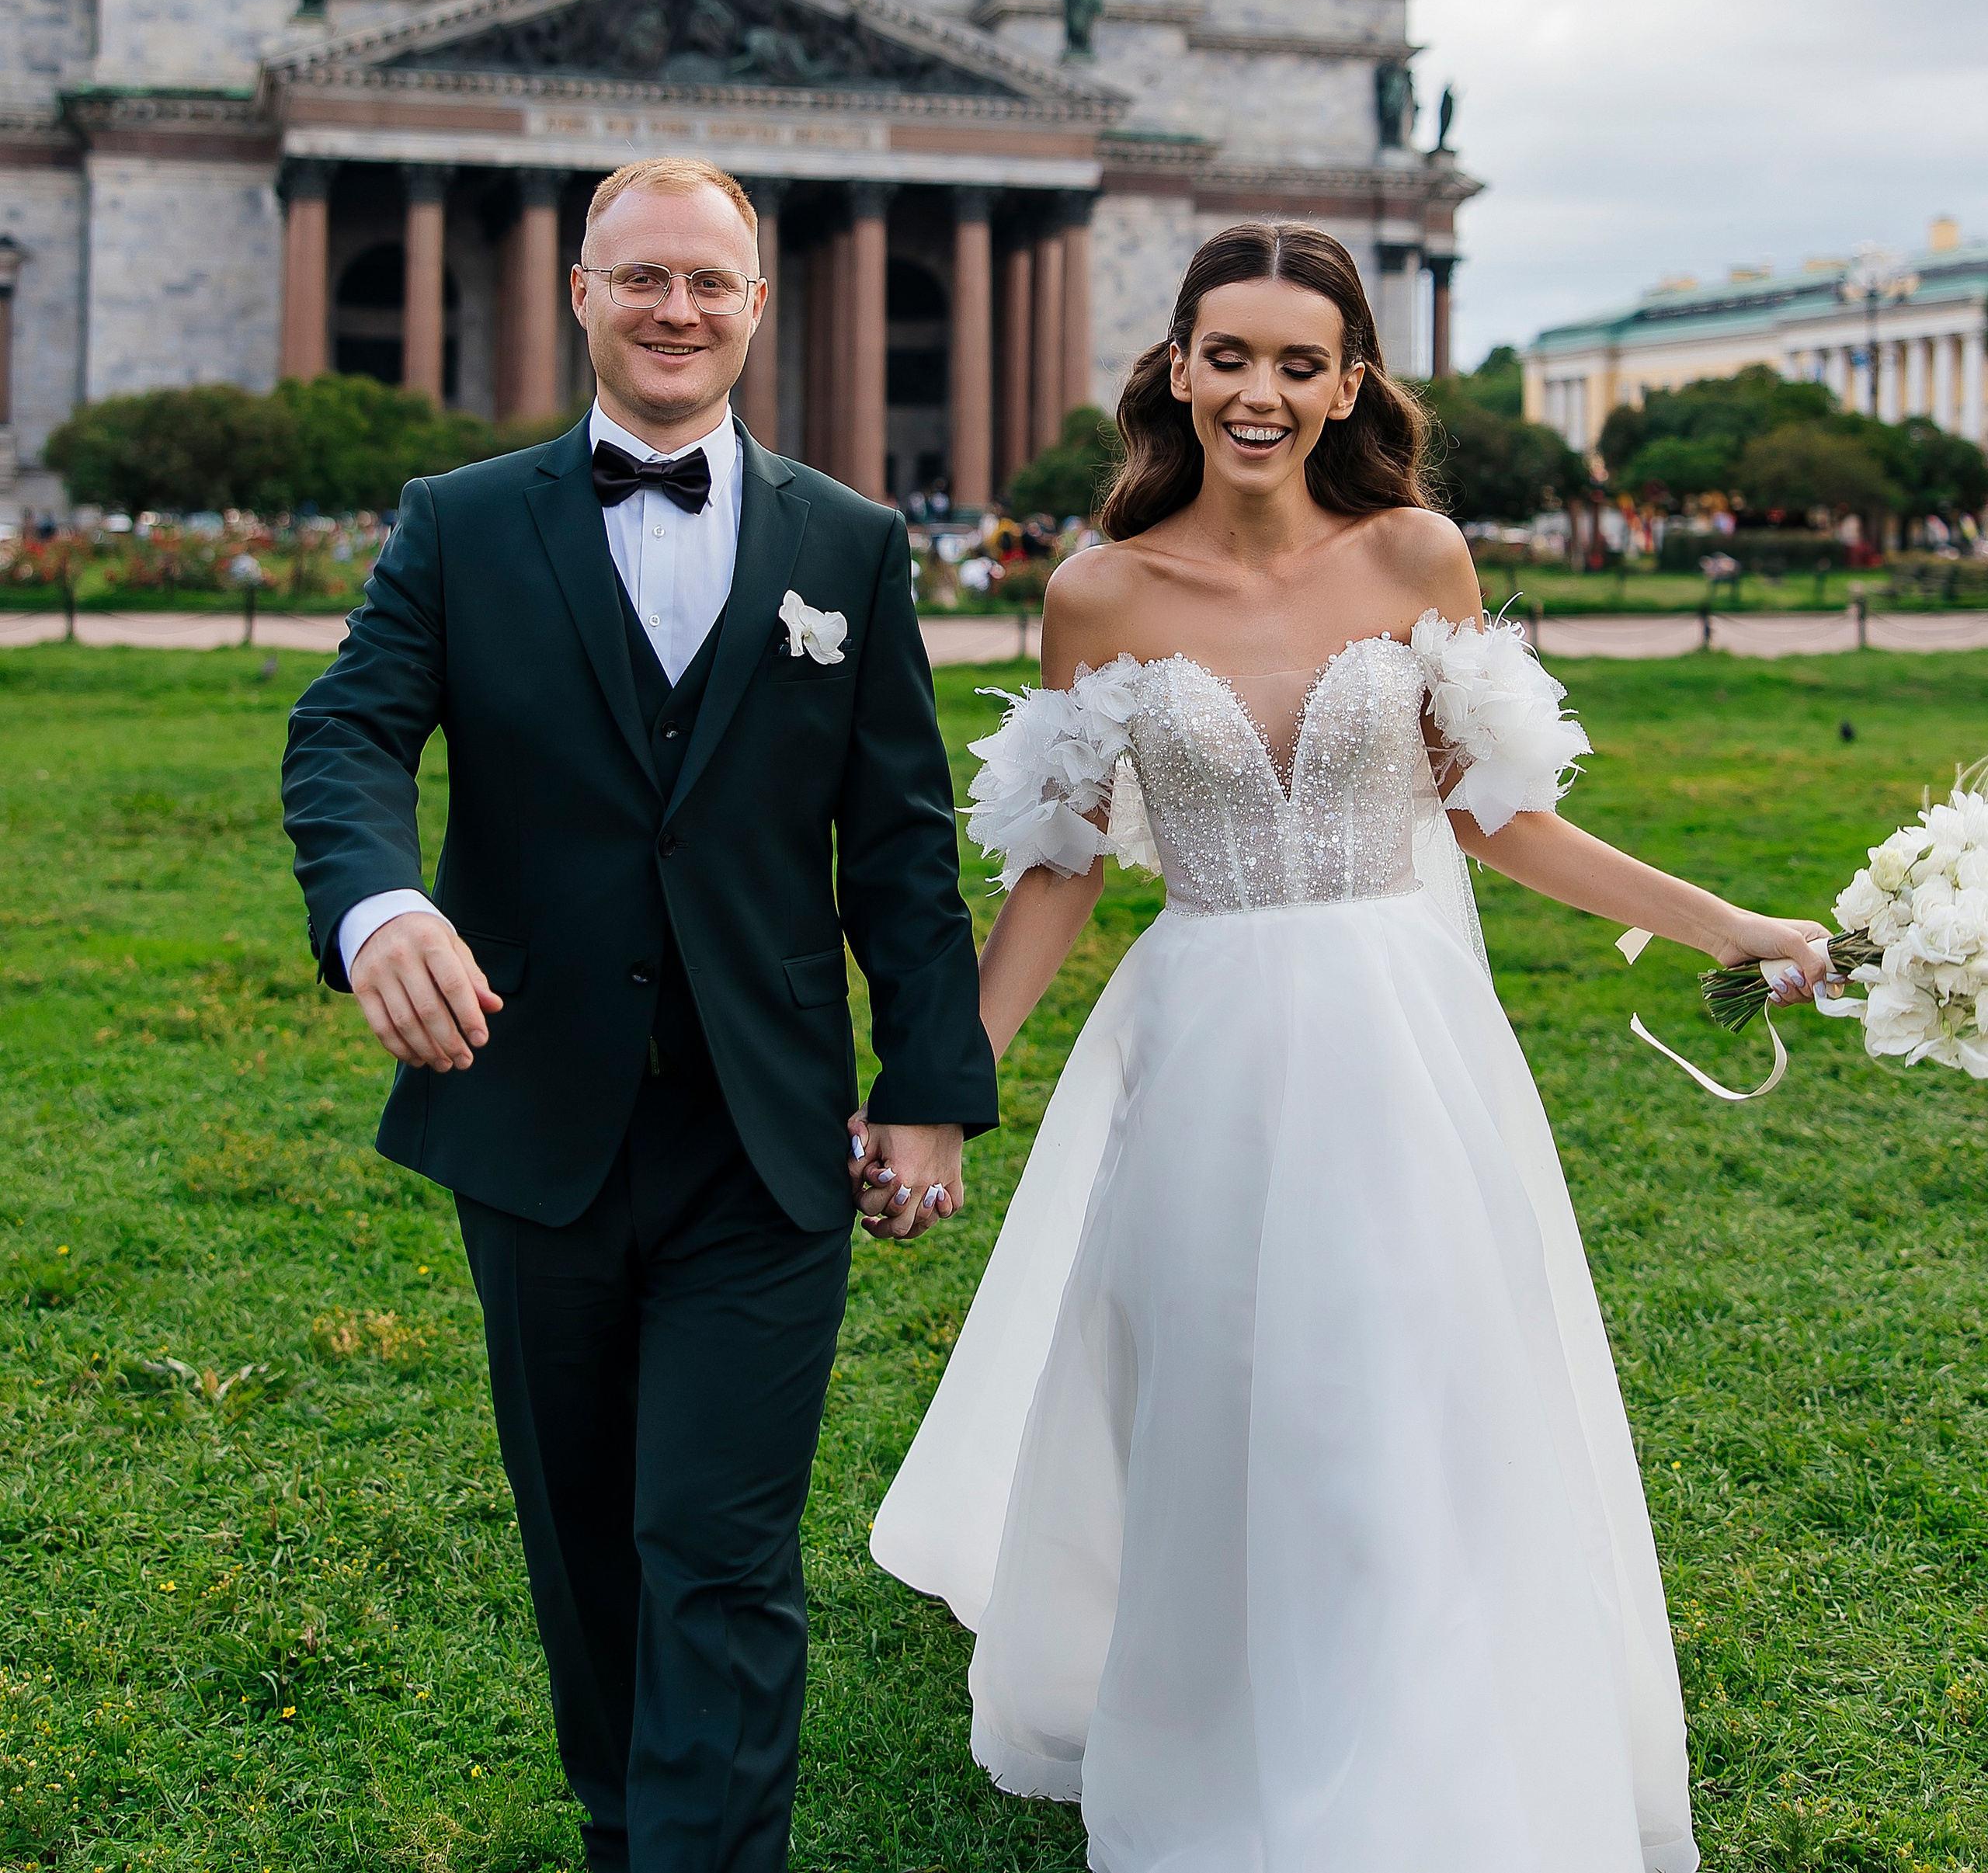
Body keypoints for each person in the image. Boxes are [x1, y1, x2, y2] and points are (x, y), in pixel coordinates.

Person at [867, 221, 1833, 1873]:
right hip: (1204, 1046)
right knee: (1217, 1383)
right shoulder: (1095, 590)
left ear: (1347, 383)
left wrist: (1720, 921)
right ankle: (1220, 1736)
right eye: (1225, 354)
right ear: (1175, 365)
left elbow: (1502, 819)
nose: (1258, 390)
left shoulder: (1413, 556)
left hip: (1399, 1034)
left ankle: (1415, 1737)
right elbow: (1060, 870)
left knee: (1397, 1381)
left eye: (1296, 361)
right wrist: (934, 1097)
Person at [283, 154, 997, 1873]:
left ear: (758, 304)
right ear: (580, 296)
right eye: (642, 278)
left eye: (710, 281)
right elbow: (349, 735)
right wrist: (381, 906)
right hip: (532, 1118)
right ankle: (626, 1819)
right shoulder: (457, 522)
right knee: (585, 1534)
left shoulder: (852, 542)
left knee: (720, 1545)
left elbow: (898, 848)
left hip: (765, 1137)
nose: (676, 309)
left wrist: (927, 1085)